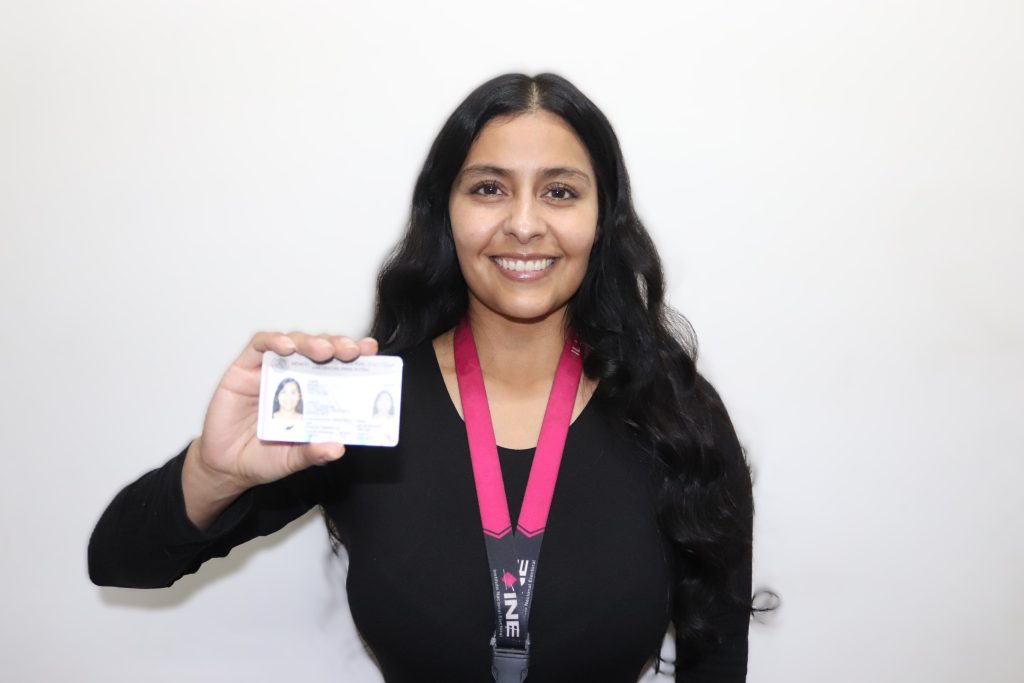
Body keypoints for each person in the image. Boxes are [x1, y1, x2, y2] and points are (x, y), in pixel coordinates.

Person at [89, 73, 755, 682]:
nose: (524, 224)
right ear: (446, 213)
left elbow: (717, 653)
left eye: (560, 191)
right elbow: (120, 560)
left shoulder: (675, 412)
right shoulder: (357, 402)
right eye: (489, 188)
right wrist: (214, 473)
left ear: (601, 220)